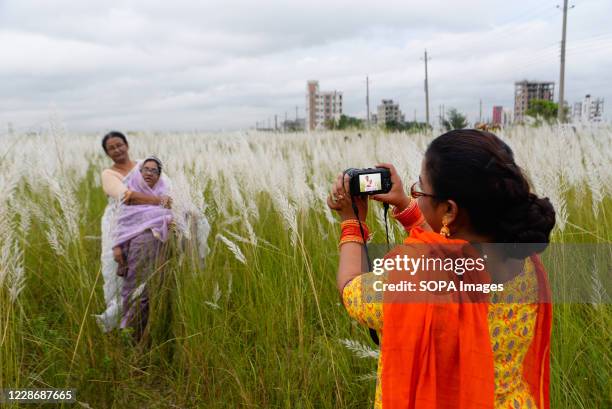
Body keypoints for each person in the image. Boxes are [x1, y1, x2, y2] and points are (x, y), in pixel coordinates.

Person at [327, 129, 555, 409]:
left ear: (449, 210)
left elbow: (351, 289)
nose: (416, 197)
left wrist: (352, 222)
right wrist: (405, 206)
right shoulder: (524, 257)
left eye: (420, 189)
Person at [94, 132, 171, 333]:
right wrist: (160, 201)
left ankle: (148, 320)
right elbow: (125, 196)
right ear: (107, 153)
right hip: (121, 224)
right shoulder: (108, 174)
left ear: (127, 145)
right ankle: (126, 324)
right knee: (125, 275)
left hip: (152, 223)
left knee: (156, 275)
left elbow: (167, 187)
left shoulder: (143, 165)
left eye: (119, 145)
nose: (117, 150)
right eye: (111, 148)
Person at [113, 156, 173, 342]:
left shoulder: (166, 195)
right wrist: (117, 248)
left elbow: (175, 216)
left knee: (154, 293)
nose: (149, 173)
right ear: (139, 172)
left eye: (154, 170)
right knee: (135, 292)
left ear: (159, 175)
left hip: (160, 252)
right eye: (145, 169)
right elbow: (120, 225)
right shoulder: (130, 197)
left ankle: (147, 335)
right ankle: (130, 335)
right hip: (136, 252)